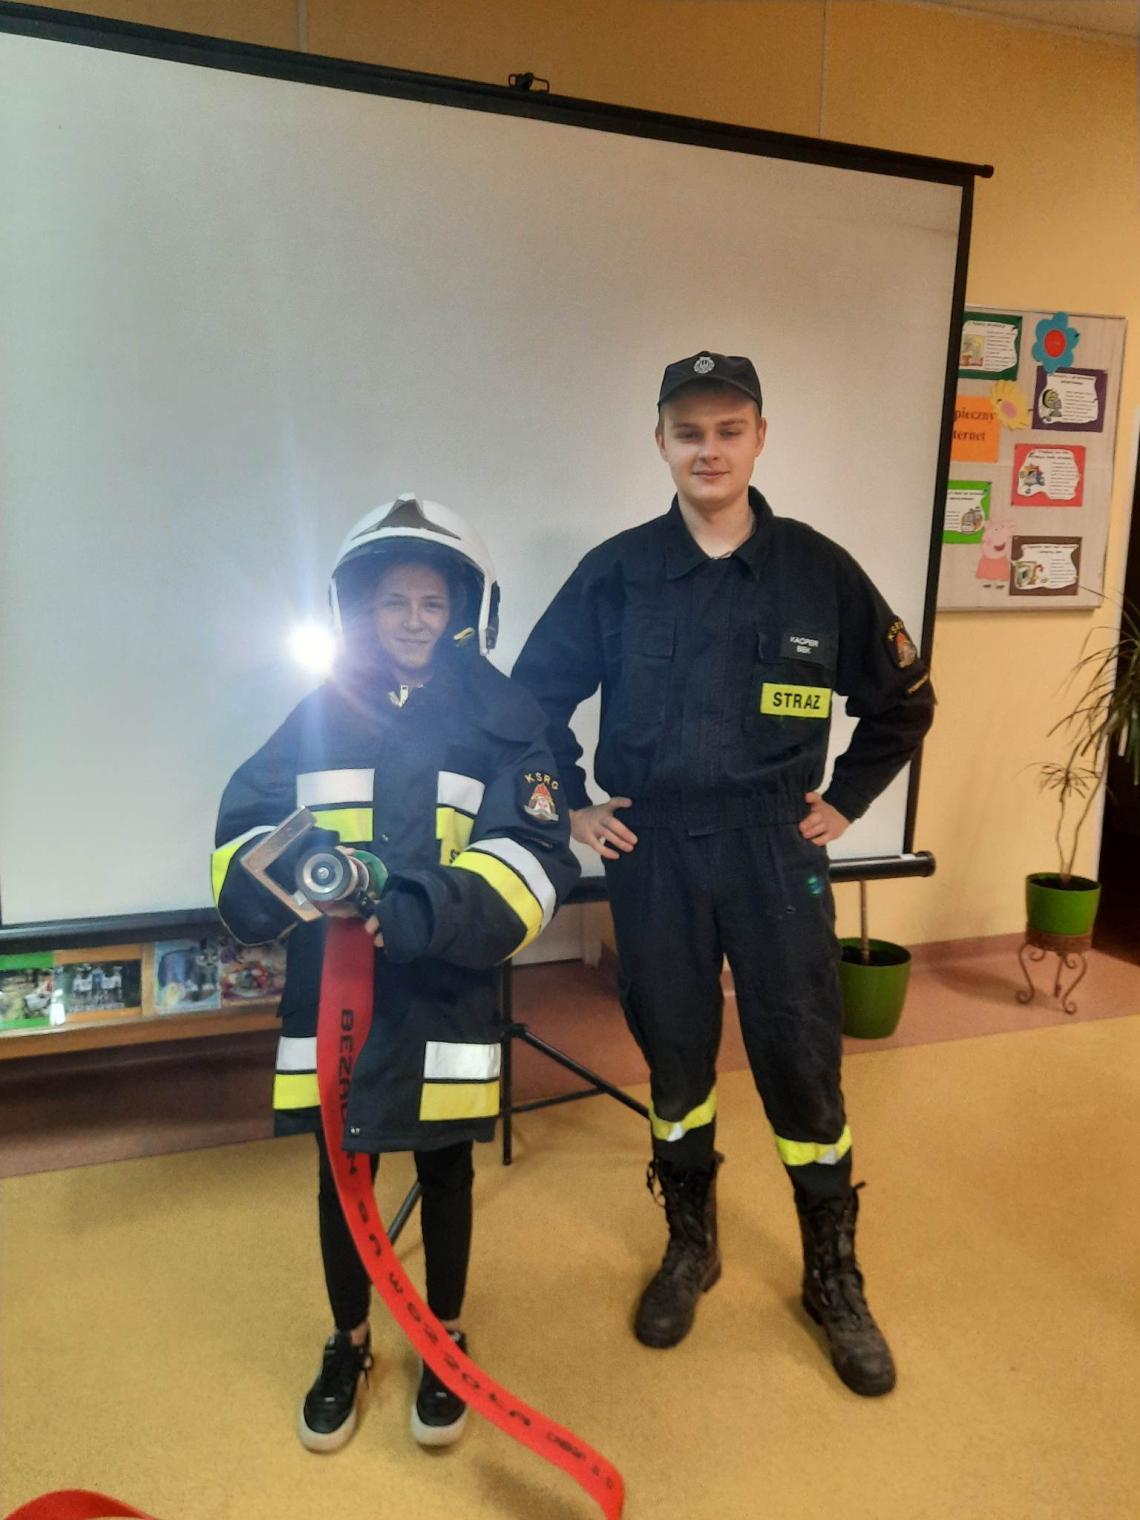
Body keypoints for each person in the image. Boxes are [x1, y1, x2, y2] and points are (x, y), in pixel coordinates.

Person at [512, 352, 935, 1396]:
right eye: (690, 431)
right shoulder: (617, 572)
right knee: (674, 1053)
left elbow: (904, 700)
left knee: (801, 1054)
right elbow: (528, 703)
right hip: (655, 847)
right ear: (660, 442)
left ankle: (832, 1274)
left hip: (771, 846)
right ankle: (690, 1243)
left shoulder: (816, 570)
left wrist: (848, 798)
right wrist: (571, 803)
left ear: (759, 437)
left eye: (729, 429)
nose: (710, 449)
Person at [212, 494, 579, 1451]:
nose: (412, 621)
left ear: (463, 609)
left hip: (445, 989)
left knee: (447, 1166)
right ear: (359, 610)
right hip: (333, 994)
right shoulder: (319, 711)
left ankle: (444, 1337)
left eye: (431, 603)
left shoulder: (504, 719)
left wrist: (418, 907)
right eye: (392, 603)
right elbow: (243, 827)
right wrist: (306, 873)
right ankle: (349, 1341)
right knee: (342, 1173)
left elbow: (534, 856)